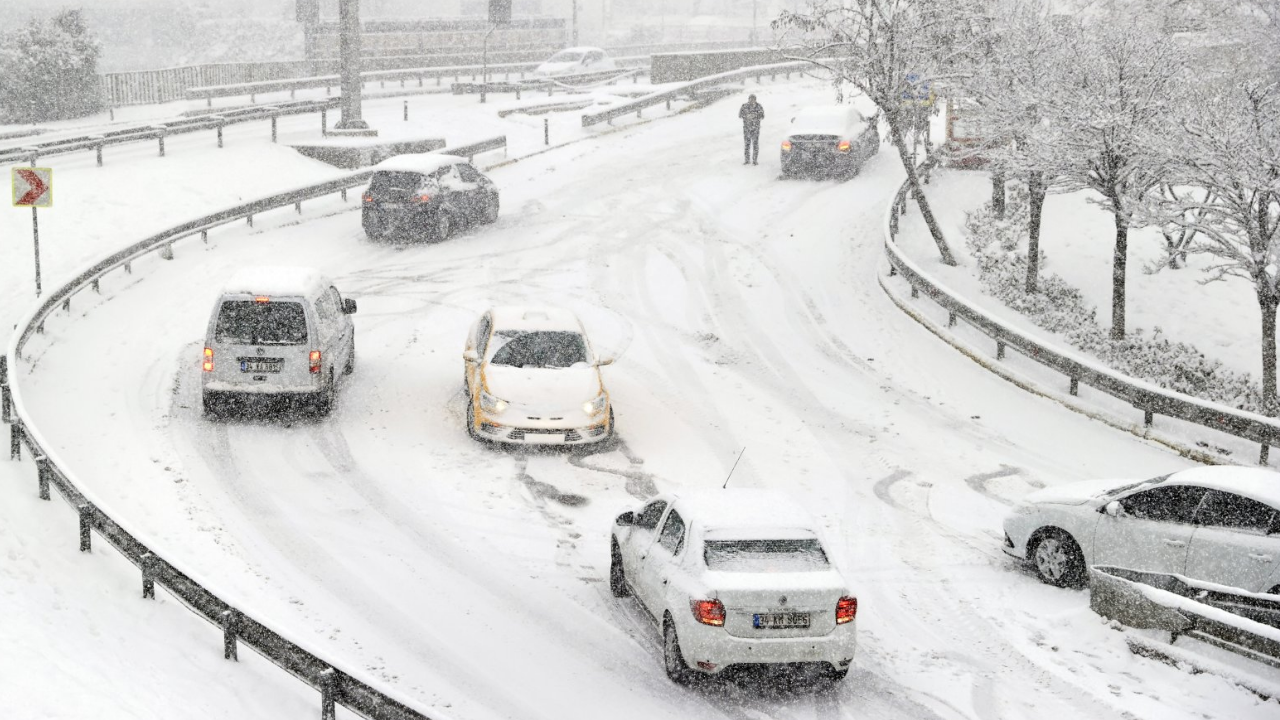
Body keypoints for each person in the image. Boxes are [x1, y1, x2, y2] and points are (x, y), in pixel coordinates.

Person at [738, 94, 764, 165]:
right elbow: (740, 115)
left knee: (755, 145)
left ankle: (755, 160)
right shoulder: (744, 106)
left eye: (753, 99)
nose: (752, 100)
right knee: (747, 145)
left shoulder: (759, 106)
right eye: (750, 99)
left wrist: (755, 115)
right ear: (748, 99)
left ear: (755, 100)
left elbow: (762, 116)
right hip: (747, 129)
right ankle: (747, 160)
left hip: (755, 129)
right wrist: (746, 116)